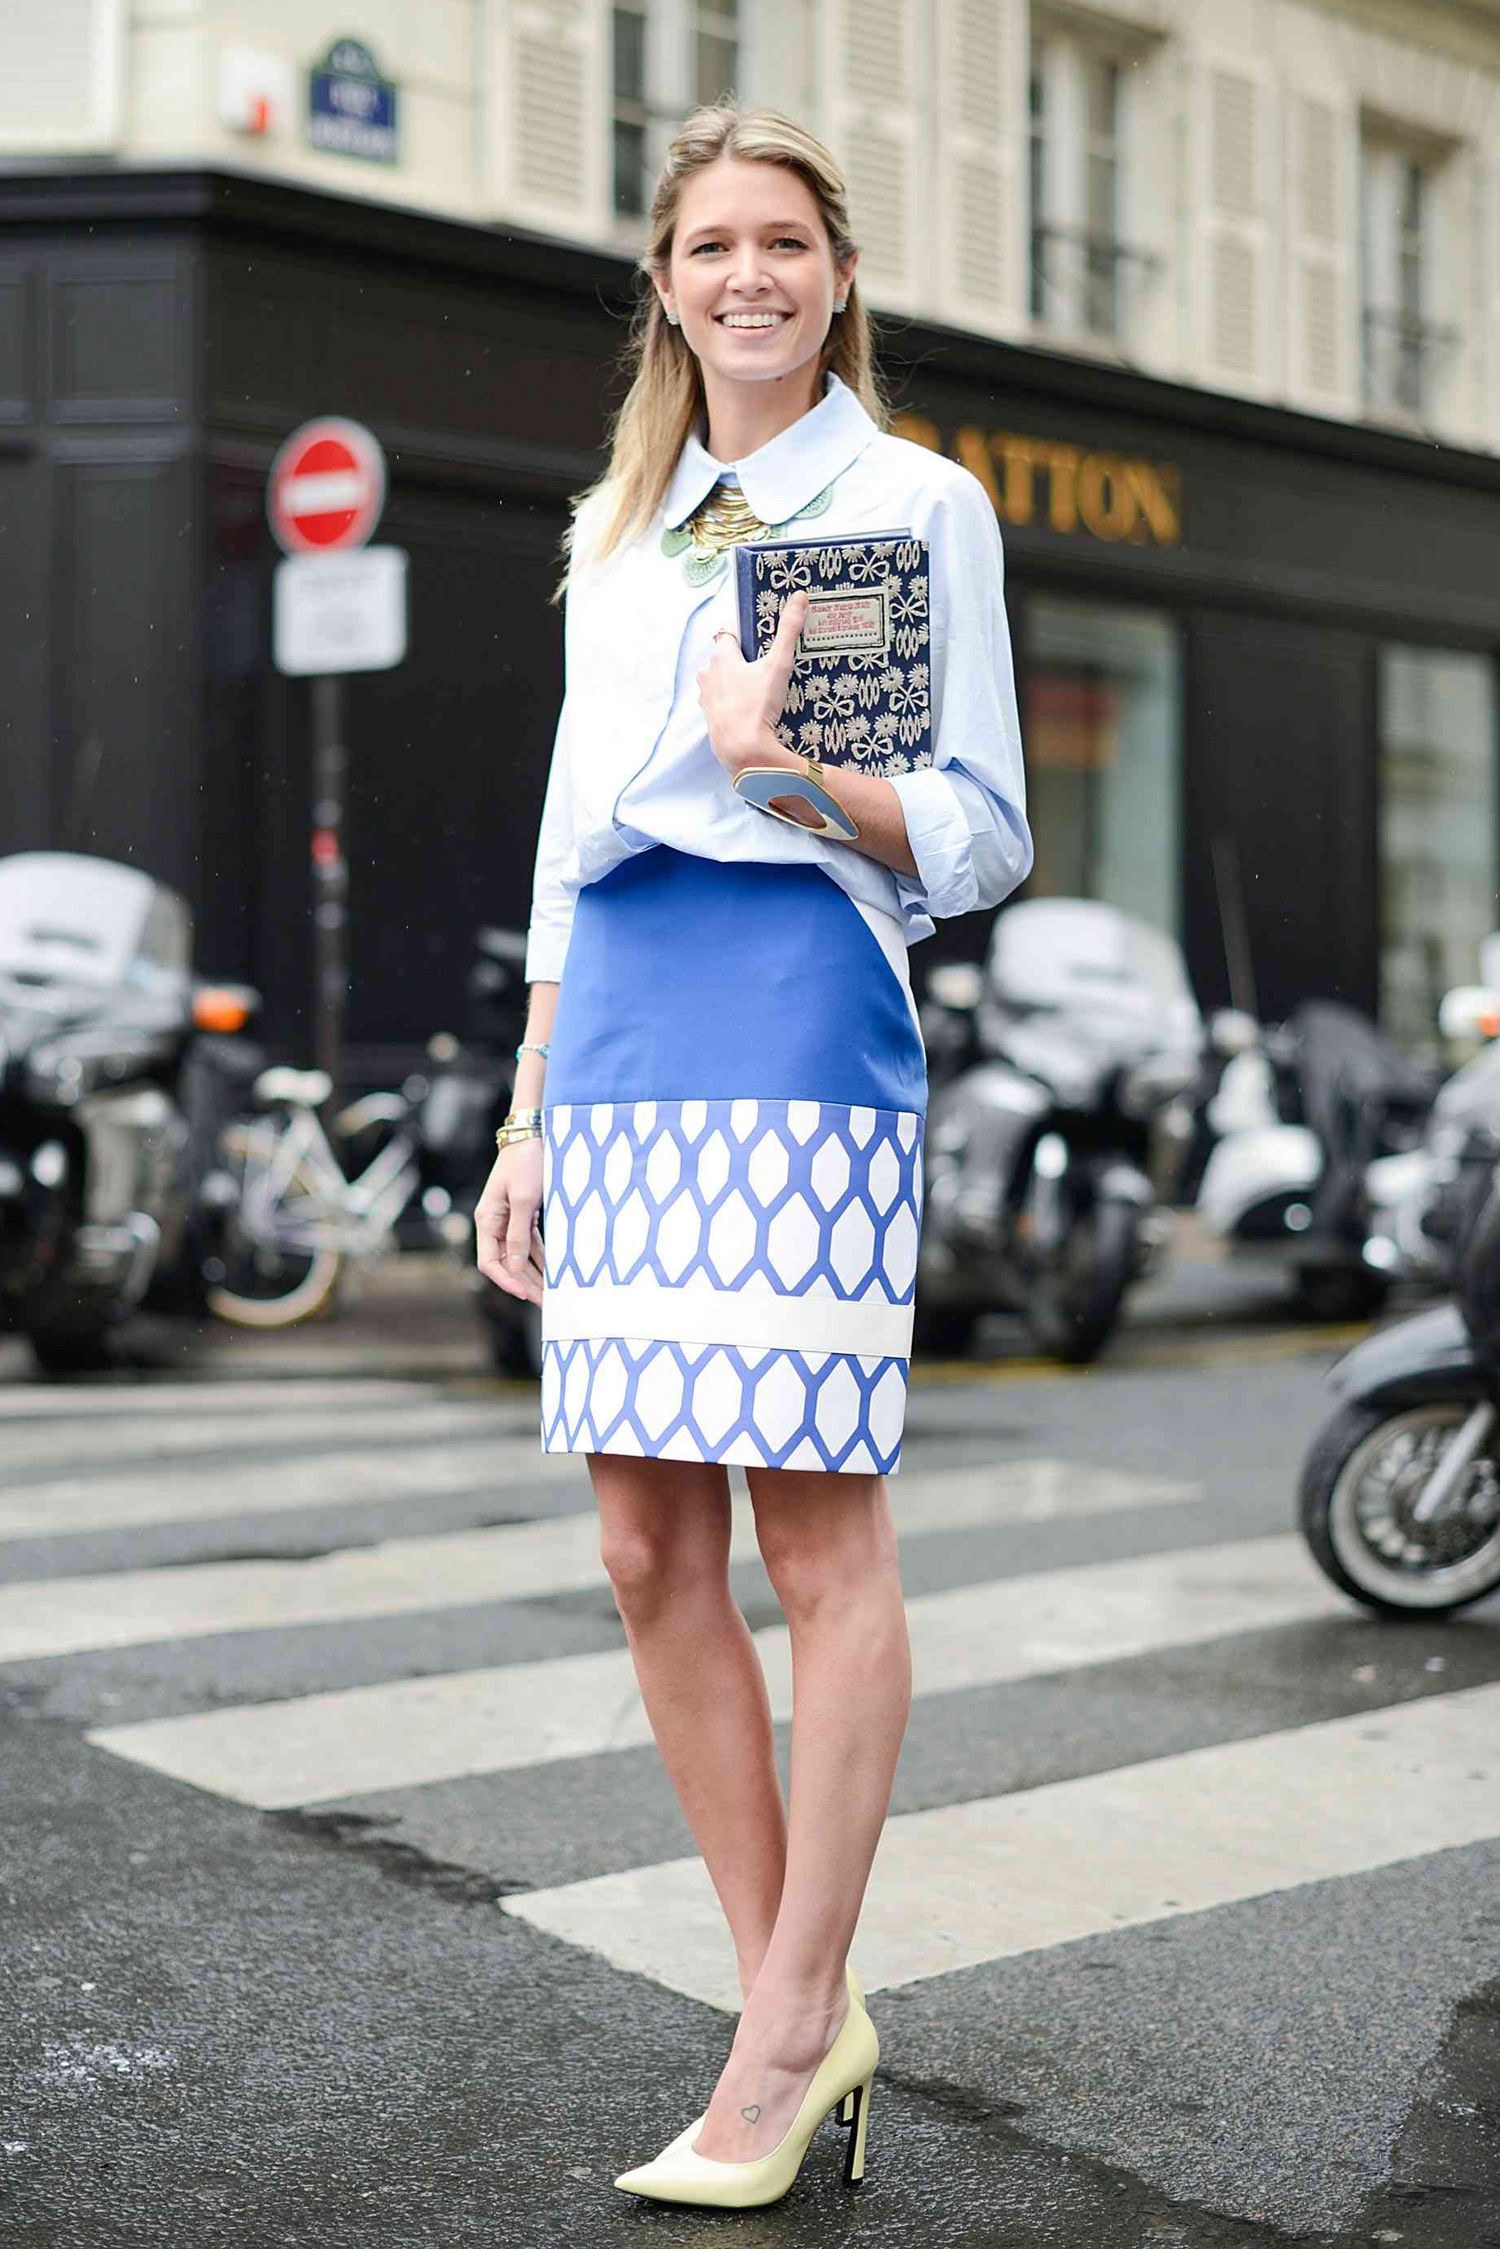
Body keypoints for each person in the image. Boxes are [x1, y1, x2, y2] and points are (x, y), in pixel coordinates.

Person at [474, 102, 1030, 2210]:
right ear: (667, 282)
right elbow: (558, 838)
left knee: (817, 1544)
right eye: (710, 244)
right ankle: (798, 1995)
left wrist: (797, 775)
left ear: (839, 272)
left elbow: (979, 833)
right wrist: (525, 1113)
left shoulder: (913, 503)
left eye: (784, 240)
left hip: (799, 1016)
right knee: (638, 1547)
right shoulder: (618, 536)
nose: (748, 276)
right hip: (613, 1033)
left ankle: (787, 2030)